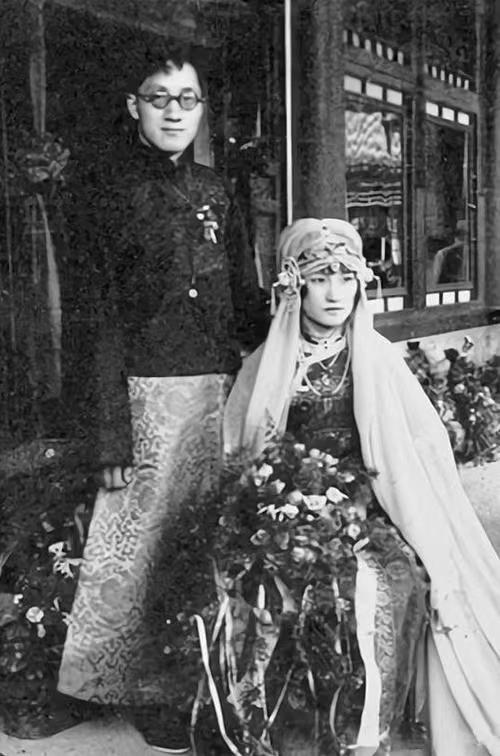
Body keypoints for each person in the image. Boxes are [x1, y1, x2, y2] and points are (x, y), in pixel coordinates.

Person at [224, 218, 500, 755]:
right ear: (294, 286)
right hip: (284, 511)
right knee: (266, 588)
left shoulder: (376, 359)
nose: (334, 294)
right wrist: (273, 505)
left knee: (379, 588)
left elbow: (411, 455)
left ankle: (362, 731)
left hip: (365, 509)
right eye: (319, 279)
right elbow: (242, 452)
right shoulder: (264, 364)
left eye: (346, 279)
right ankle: (282, 726)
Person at [57, 48, 267, 753]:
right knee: (143, 543)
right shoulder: (104, 192)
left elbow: (243, 297)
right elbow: (94, 317)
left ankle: (203, 676)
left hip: (218, 390)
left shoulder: (218, 191)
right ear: (134, 106)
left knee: (206, 537)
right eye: (159, 98)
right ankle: (138, 690)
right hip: (143, 394)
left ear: (202, 109)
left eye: (188, 99)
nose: (174, 112)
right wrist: (108, 433)